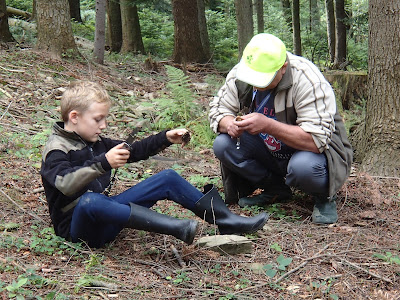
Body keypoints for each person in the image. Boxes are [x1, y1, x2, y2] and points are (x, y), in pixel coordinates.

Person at [40, 81, 268, 248]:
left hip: (106, 218)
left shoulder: (94, 141)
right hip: (79, 231)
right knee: (90, 201)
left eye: (104, 118)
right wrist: (103, 163)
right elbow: (66, 184)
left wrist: (166, 137)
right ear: (74, 117)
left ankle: (227, 220)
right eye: (98, 119)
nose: (103, 125)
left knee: (167, 177)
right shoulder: (56, 149)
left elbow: (134, 150)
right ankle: (177, 228)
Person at [209, 33, 353, 224]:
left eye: (263, 78)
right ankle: (275, 188)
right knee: (223, 144)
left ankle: (323, 196)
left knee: (304, 167)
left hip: (309, 153)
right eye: (253, 77)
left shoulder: (307, 79)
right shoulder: (243, 72)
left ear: (283, 67)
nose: (256, 83)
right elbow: (218, 110)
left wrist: (268, 125)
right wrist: (229, 124)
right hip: (270, 150)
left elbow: (316, 140)